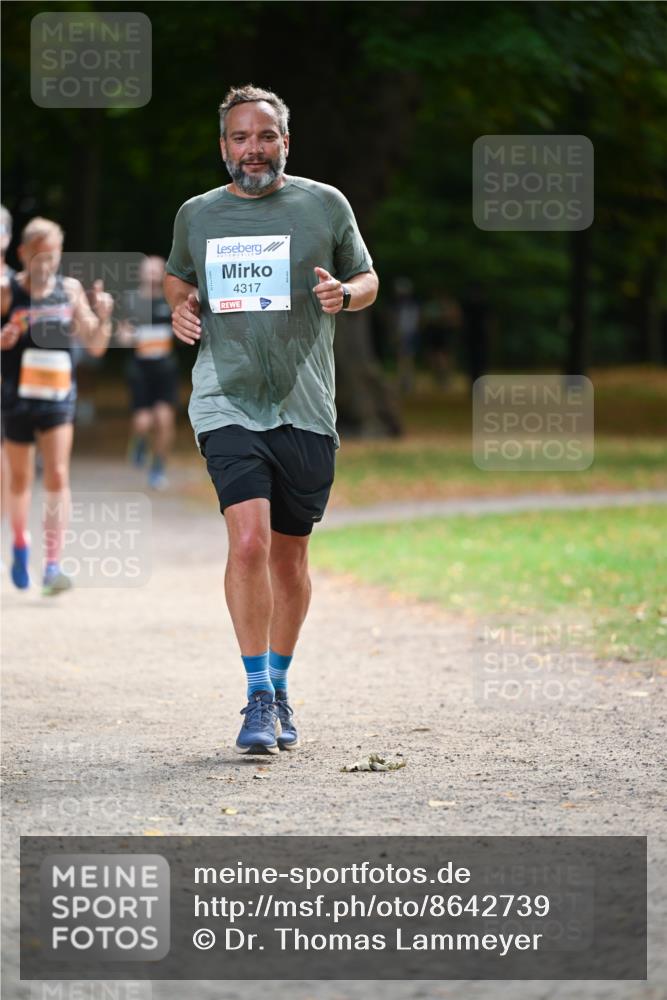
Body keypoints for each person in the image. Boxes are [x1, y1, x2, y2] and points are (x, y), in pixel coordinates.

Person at [164, 84, 378, 754]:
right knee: (249, 543)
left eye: (264, 136)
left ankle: (280, 686)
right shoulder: (197, 214)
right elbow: (177, 277)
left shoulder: (324, 204)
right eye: (238, 137)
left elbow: (367, 277)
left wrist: (343, 294)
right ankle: (256, 696)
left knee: (288, 558)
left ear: (286, 141)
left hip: (306, 405)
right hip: (225, 397)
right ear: (222, 145)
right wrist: (182, 307)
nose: (251, 149)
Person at [0, 217, 113, 594]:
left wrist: (106, 317)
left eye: (54, 254)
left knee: (58, 475)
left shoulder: (69, 290)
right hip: (17, 396)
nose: (47, 262)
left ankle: (52, 564)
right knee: (19, 479)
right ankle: (19, 544)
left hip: (58, 396)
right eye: (39, 254)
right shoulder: (6, 291)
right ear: (23, 253)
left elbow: (95, 344)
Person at [117, 255, 179, 490]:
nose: (152, 274)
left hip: (165, 369)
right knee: (143, 422)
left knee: (164, 419)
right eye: (148, 270)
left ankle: (158, 467)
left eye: (157, 270)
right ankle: (140, 441)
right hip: (140, 370)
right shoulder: (131, 301)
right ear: (141, 273)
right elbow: (122, 333)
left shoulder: (170, 298)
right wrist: (129, 336)